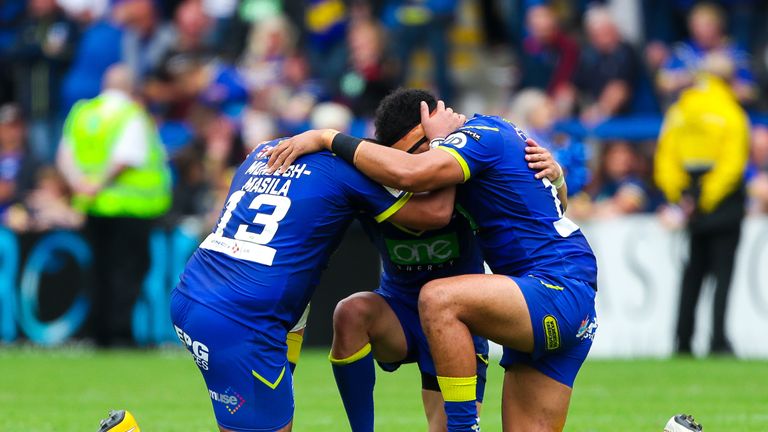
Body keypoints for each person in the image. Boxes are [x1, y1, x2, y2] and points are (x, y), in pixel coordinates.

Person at [267, 90, 598, 432]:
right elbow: (551, 205)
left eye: (412, 153)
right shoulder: (484, 148)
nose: (401, 170)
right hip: (548, 299)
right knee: (363, 310)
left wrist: (327, 137)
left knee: (438, 297)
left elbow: (414, 176)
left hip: (556, 287)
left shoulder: (477, 138)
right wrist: (557, 178)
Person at [169, 101, 463, 431]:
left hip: (191, 294)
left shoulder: (263, 152)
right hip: (240, 319)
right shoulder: (346, 169)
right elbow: (432, 215)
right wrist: (445, 146)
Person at [57, 64, 171, 347]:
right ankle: (120, 334)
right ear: (132, 88)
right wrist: (99, 182)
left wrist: (80, 184)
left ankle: (97, 332)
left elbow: (64, 154)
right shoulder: (132, 114)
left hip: (92, 206)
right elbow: (127, 157)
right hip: (131, 208)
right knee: (128, 272)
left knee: (97, 271)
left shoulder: (83, 112)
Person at [654, 53, 749, 356]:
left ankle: (683, 340)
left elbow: (665, 158)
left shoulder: (680, 110)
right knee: (723, 273)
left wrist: (683, 197)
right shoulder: (731, 112)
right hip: (723, 200)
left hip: (688, 193)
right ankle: (718, 340)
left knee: (692, 270)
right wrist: (707, 198)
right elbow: (733, 164)